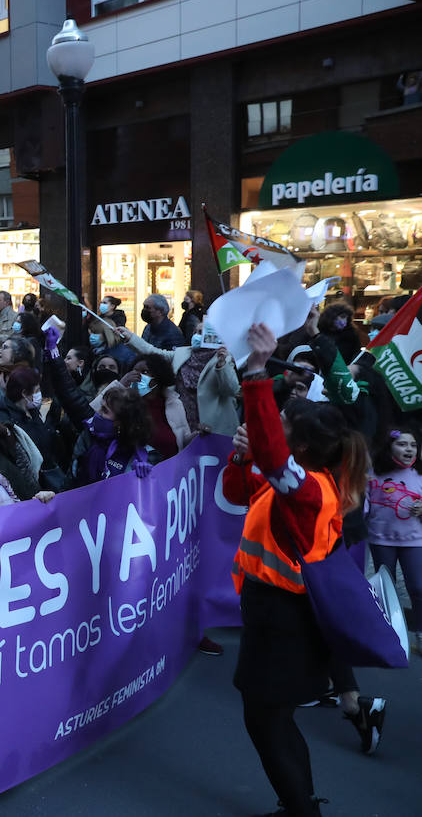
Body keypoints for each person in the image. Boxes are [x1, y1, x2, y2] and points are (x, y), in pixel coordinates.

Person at [222, 322, 377, 816]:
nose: (277, 430)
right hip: (272, 614)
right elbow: (236, 492)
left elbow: (272, 452)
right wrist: (241, 457)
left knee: (267, 721)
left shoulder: (307, 489)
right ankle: (300, 803)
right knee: (273, 720)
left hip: (284, 619)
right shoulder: (298, 481)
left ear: (302, 447)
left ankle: (301, 809)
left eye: (285, 427)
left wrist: (255, 371)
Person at [366, 426, 422, 653]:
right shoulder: (372, 472)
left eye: (413, 445)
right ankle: (385, 634)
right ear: (389, 448)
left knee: (418, 588)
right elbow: (363, 503)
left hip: (415, 540)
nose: (408, 449)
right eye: (402, 444)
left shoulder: (419, 472)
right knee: (384, 589)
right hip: (381, 539)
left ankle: (420, 632)